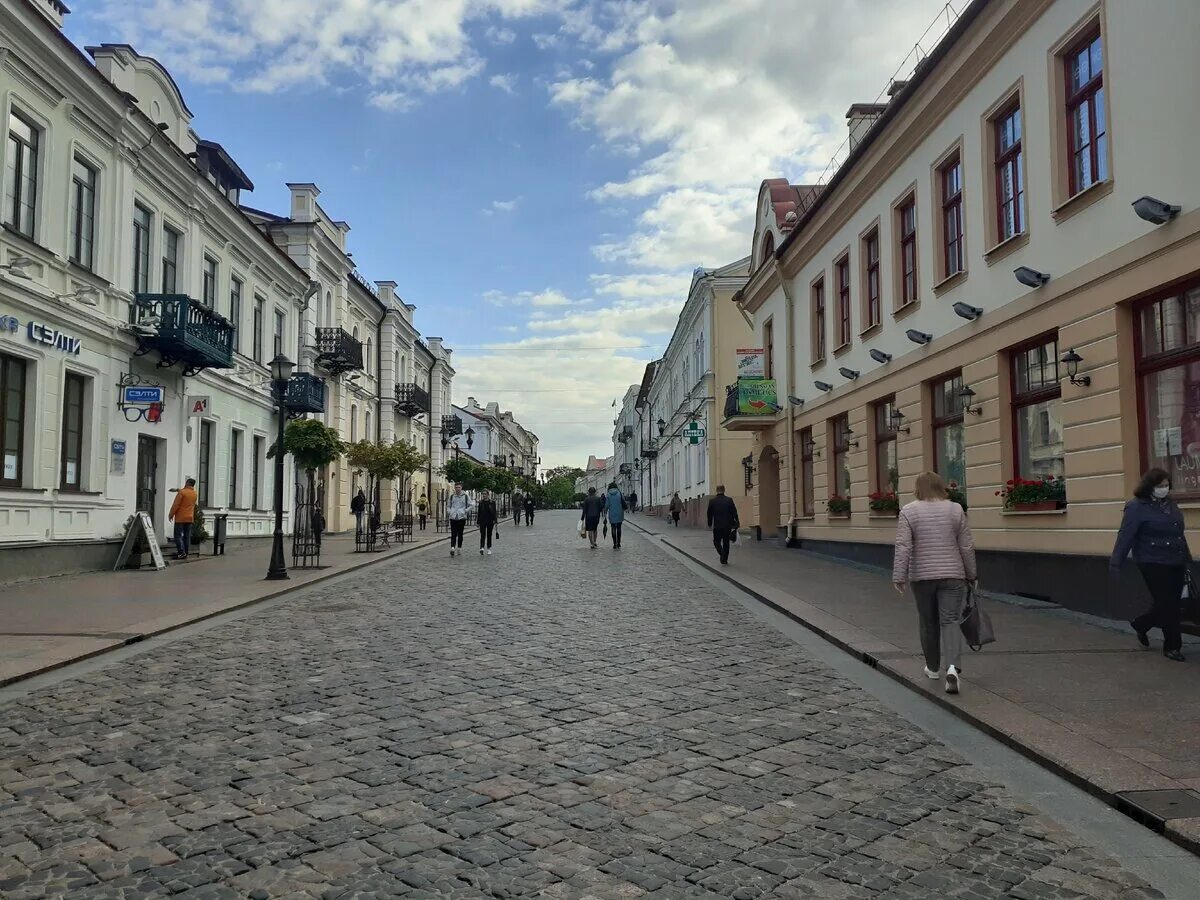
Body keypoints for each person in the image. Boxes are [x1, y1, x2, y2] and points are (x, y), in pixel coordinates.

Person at [893, 471, 977, 696]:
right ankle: (952, 668)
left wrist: (899, 576)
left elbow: (903, 546)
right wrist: (972, 574)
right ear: (941, 487)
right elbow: (966, 546)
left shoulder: (909, 511)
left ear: (918, 488)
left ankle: (932, 668)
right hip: (953, 575)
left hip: (922, 576)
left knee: (928, 622)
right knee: (950, 621)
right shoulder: (956, 509)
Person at [1111, 468, 1190, 662]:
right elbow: (1125, 535)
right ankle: (1172, 646)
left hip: (1175, 559)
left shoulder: (1170, 504)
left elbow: (1178, 533)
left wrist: (1186, 558)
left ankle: (1141, 624)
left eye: (1167, 485)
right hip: (1151, 560)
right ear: (1150, 487)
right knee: (1168, 604)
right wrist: (1116, 562)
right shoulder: (1136, 507)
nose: (1164, 489)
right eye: (1160, 486)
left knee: (1170, 602)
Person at [707, 485, 740, 565]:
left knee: (716, 542)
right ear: (724, 490)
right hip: (727, 525)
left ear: (716, 490)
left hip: (717, 526)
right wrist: (737, 522)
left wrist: (710, 523)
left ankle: (722, 554)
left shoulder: (712, 501)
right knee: (726, 542)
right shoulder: (729, 500)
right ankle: (724, 558)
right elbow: (734, 512)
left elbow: (709, 513)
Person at [168, 477, 198, 560]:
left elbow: (176, 505)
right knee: (187, 536)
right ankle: (186, 552)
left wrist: (171, 514)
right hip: (189, 517)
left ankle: (181, 552)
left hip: (180, 518)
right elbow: (186, 492)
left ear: (187, 483)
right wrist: (177, 490)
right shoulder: (194, 494)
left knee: (177, 535)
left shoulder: (182, 493)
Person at [447, 484, 472, 557]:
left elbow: (471, 505)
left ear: (461, 488)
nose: (457, 489)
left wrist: (465, 511)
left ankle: (459, 548)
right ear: (454, 488)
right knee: (453, 533)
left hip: (461, 517)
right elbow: (448, 506)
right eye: (456, 487)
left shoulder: (465, 496)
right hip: (453, 517)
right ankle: (452, 548)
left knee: (460, 534)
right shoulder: (452, 496)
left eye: (459, 487)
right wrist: (450, 512)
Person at [603, 482, 627, 549]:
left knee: (613, 528)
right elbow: (623, 502)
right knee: (619, 528)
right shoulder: (619, 493)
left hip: (612, 513)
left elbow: (607, 505)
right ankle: (619, 543)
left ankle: (614, 543)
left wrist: (605, 511)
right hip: (620, 513)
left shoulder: (608, 495)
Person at [477, 490, 499, 555]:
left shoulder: (492, 502)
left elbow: (494, 512)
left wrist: (495, 521)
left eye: (485, 494)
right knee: (482, 534)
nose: (484, 495)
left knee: (489, 535)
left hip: (490, 520)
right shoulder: (481, 503)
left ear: (488, 495)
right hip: (482, 520)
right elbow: (479, 513)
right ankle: (482, 547)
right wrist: (478, 522)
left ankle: (489, 548)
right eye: (483, 494)